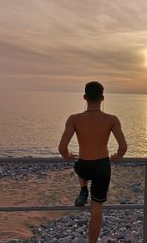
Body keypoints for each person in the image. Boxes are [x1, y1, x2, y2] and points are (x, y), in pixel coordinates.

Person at [58, 81, 127, 243]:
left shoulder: (74, 119)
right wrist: (117, 156)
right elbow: (123, 147)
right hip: (102, 166)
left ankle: (83, 188)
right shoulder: (112, 119)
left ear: (84, 97)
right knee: (97, 208)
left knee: (78, 164)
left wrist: (67, 155)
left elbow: (62, 147)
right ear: (102, 98)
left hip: (84, 166)